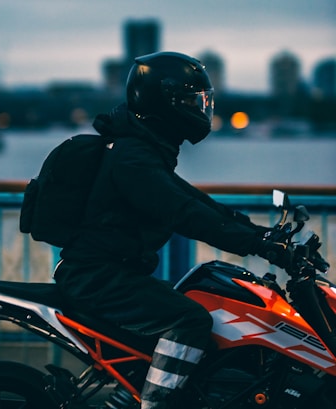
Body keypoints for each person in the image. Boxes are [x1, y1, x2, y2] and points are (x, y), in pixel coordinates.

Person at [54, 51, 291, 409]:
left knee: (207, 301)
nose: (200, 110)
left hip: (115, 272)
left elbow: (195, 200)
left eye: (202, 101)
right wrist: (255, 244)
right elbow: (184, 213)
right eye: (191, 102)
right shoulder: (132, 158)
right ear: (163, 103)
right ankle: (156, 403)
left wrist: (259, 233)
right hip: (98, 278)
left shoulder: (144, 149)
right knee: (190, 318)